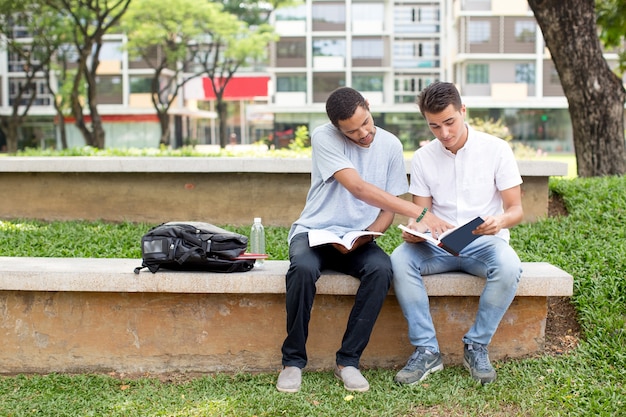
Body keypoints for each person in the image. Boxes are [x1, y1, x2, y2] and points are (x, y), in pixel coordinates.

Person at [276, 87, 452, 393]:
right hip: (314, 231)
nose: (363, 133)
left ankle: (348, 362)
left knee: (382, 270)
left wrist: (370, 234)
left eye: (366, 122)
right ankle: (292, 362)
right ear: (337, 128)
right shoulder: (324, 137)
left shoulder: (390, 145)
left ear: (368, 107)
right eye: (352, 131)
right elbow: (358, 187)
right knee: (302, 270)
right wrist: (420, 212)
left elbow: (387, 206)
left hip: (357, 238)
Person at [391, 81, 524, 385]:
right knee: (399, 259)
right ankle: (427, 350)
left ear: (463, 111)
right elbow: (422, 214)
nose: (444, 133)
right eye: (434, 126)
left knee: (509, 266)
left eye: (449, 122)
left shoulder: (496, 149)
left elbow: (515, 209)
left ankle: (476, 345)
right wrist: (416, 230)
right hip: (438, 247)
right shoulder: (424, 158)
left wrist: (499, 222)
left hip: (483, 243)